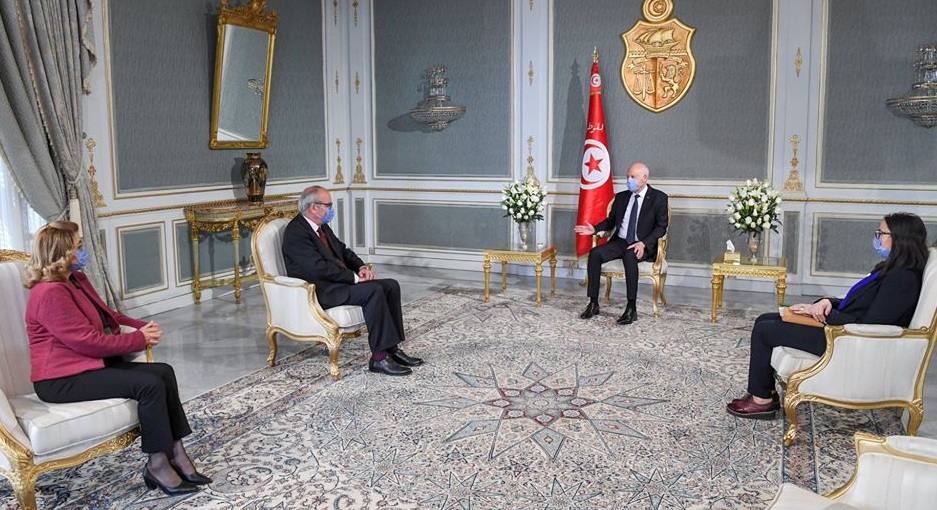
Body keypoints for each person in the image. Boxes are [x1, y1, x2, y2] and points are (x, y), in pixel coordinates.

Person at [24, 222, 210, 496]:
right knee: (149, 385)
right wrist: (139, 339)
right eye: (78, 247)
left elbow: (110, 316)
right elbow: (87, 342)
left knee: (164, 372)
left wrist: (142, 326)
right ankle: (157, 464)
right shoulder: (50, 292)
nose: (83, 251)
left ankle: (176, 452)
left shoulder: (75, 279)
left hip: (84, 366)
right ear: (63, 254)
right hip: (61, 379)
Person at [727, 212, 929, 419]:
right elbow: (858, 302)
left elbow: (870, 325)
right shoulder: (891, 269)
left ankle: (762, 402)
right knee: (766, 319)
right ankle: (766, 392)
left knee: (764, 330)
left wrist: (826, 315)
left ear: (899, 239)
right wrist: (826, 303)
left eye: (881, 233)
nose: (877, 238)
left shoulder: (903, 280)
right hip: (842, 329)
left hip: (846, 340)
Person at [282, 186, 423, 376]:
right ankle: (379, 358)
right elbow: (318, 268)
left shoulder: (320, 227)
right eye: (328, 205)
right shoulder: (296, 232)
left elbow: (343, 251)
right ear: (314, 207)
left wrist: (361, 268)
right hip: (321, 290)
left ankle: (392, 349)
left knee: (390, 286)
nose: (331, 209)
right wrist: (354, 278)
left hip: (338, 282)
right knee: (373, 291)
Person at [574, 162, 669, 324]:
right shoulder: (622, 197)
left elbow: (661, 228)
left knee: (629, 255)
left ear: (644, 178)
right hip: (621, 241)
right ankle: (593, 302)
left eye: (633, 177)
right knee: (596, 253)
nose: (628, 180)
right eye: (627, 176)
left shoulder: (659, 198)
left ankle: (631, 308)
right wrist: (595, 229)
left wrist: (643, 243)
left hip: (642, 244)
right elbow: (610, 222)